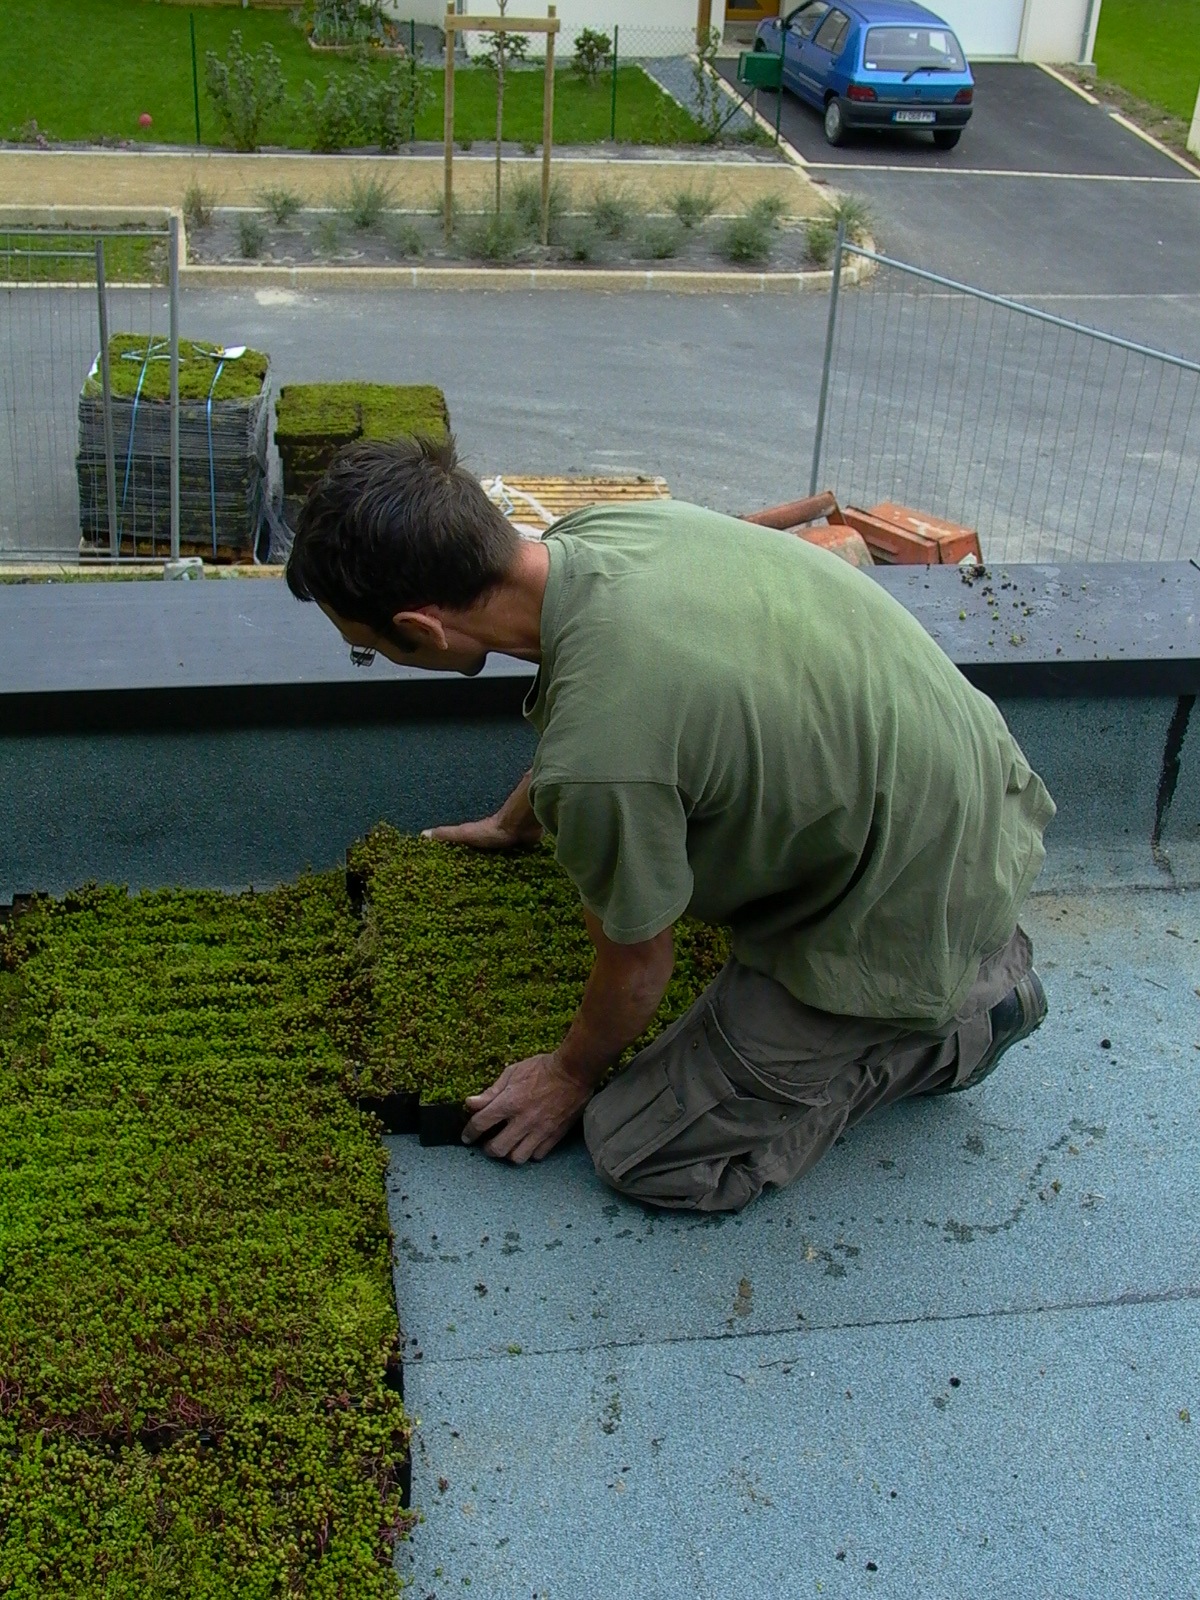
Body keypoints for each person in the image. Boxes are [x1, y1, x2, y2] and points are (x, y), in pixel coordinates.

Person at [286, 433, 1056, 1213]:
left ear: (422, 628)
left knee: (637, 1148)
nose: (374, 659)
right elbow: (599, 714)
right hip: (972, 774)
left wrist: (568, 1074)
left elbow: (639, 970)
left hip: (916, 892)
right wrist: (517, 821)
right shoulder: (597, 538)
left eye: (366, 651)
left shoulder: (601, 756)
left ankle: (962, 1025)